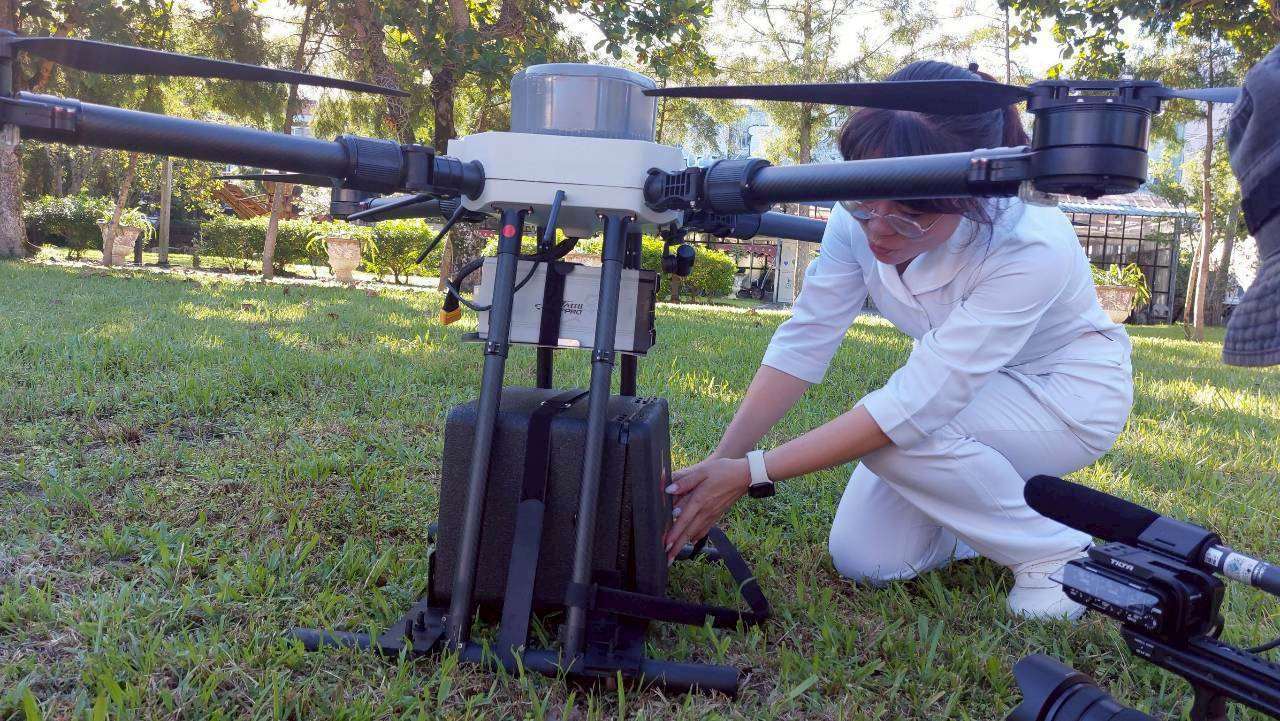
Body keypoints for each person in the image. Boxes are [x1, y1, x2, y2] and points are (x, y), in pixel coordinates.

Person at [661, 60, 1135, 619]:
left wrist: (750, 474)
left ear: (972, 196)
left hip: (1062, 396)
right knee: (869, 560)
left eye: (911, 217)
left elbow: (912, 409)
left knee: (890, 435)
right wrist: (719, 464)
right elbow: (807, 338)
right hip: (967, 398)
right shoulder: (860, 207)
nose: (880, 229)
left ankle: (1058, 553)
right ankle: (997, 520)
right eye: (865, 207)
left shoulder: (1031, 242)